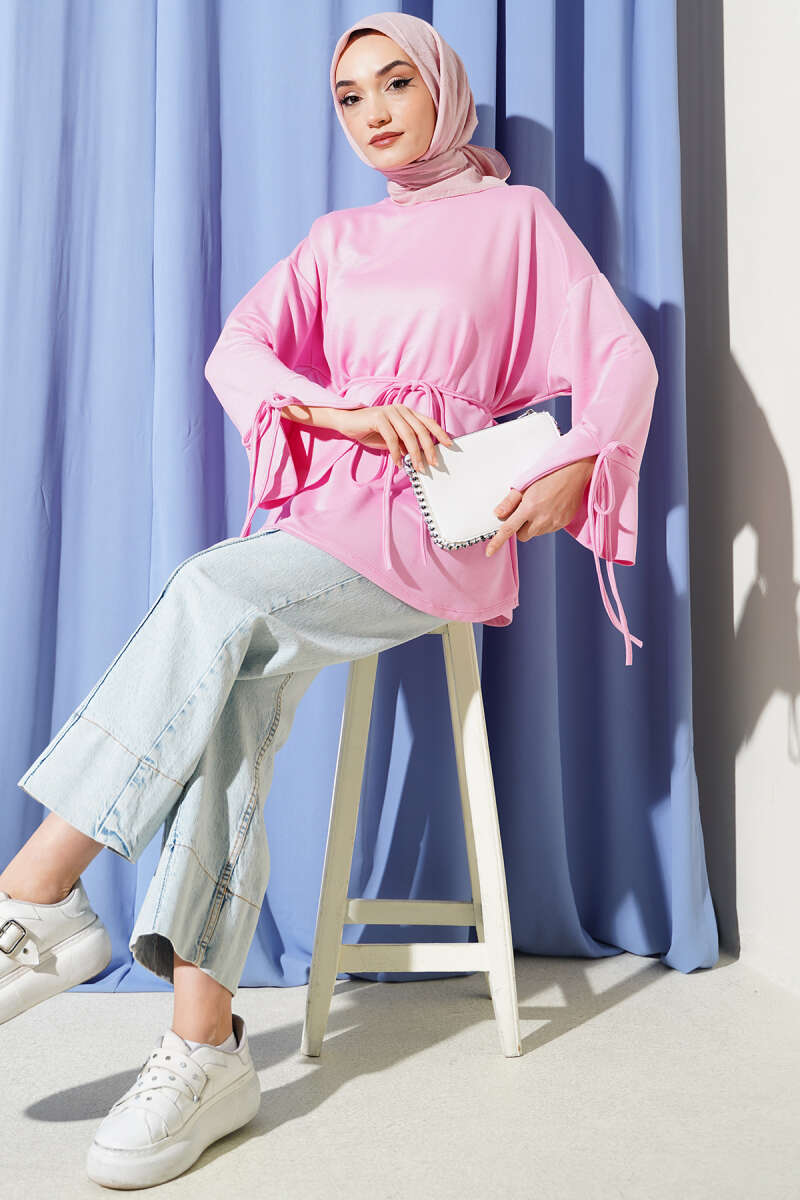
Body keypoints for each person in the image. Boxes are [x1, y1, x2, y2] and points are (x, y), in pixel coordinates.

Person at [0, 10, 658, 1190]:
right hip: (320, 523)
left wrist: (579, 461)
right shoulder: (336, 238)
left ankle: (38, 890)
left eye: (395, 83)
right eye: (349, 96)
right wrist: (334, 409)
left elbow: (621, 360)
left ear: (441, 89)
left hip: (430, 531)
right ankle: (204, 1048)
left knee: (208, 590)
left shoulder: (517, 221)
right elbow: (238, 350)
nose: (373, 113)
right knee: (232, 698)